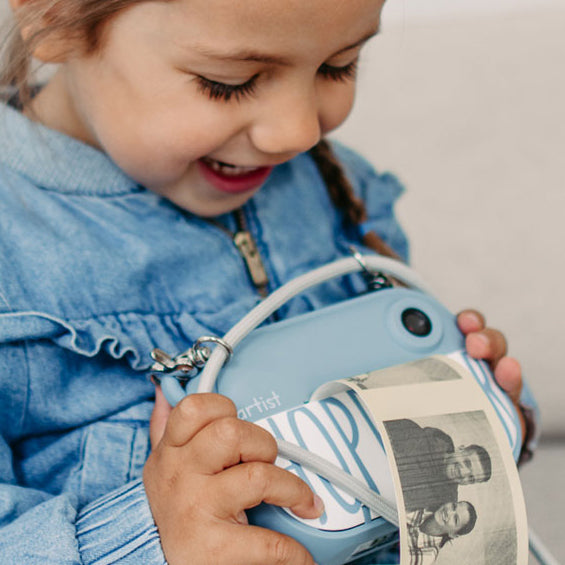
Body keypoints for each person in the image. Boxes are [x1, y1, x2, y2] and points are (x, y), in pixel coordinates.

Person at [0, 1, 535, 564]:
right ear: (52, 14)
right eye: (229, 83)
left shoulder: (335, 186)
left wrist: (485, 411)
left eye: (338, 67)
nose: (297, 133)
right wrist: (153, 533)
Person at [385, 419, 492, 513]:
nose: (463, 473)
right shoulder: (420, 435)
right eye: (467, 462)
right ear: (461, 449)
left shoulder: (445, 504)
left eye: (471, 478)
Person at [407, 501, 478, 565]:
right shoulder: (421, 505)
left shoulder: (429, 555)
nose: (449, 512)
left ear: (453, 534)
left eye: (455, 519)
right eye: (454, 506)